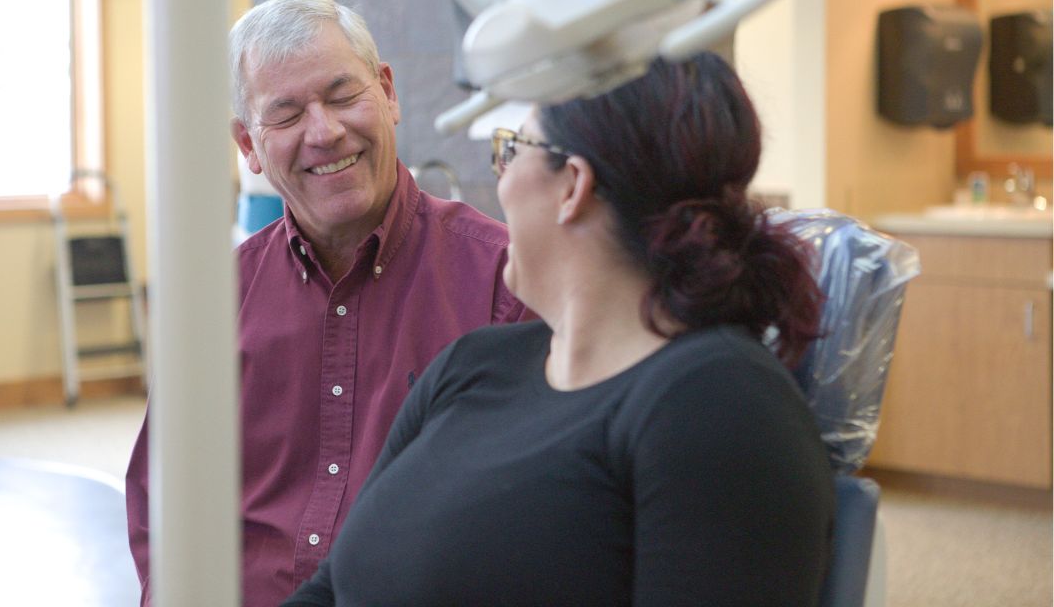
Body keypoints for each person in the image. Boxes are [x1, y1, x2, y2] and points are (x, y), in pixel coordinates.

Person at [284, 52, 836, 606]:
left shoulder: (717, 403)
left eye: (511, 151)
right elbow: (332, 588)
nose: (499, 183)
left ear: (572, 184)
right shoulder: (473, 365)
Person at [124, 0, 529, 606]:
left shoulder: (504, 281)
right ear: (249, 145)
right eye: (285, 115)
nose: (325, 132)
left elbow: (536, 518)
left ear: (388, 93)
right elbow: (163, 510)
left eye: (343, 97)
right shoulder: (213, 301)